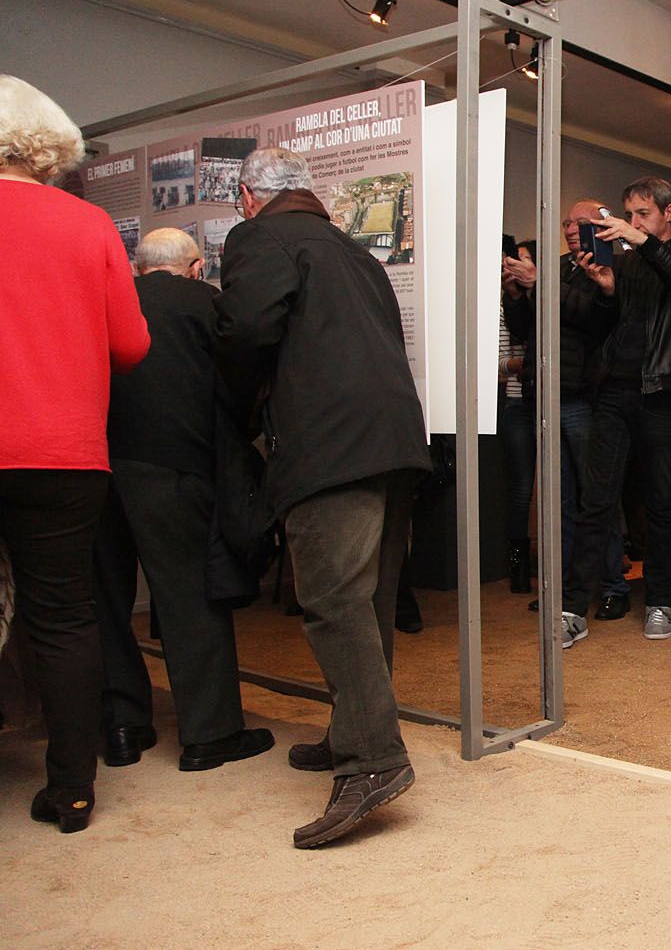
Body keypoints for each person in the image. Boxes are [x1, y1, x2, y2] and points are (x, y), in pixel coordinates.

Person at [214, 147, 431, 849]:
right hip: (393, 438)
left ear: (249, 196)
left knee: (334, 601)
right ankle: (352, 731)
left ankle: (372, 760)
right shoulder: (354, 250)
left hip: (329, 444)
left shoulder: (258, 236)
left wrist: (239, 414)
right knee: (368, 599)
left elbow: (246, 331)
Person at [0, 74, 150, 833]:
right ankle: (72, 789)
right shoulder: (88, 223)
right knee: (63, 618)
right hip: (62, 450)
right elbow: (132, 343)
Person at [93, 227, 274, 772]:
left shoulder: (108, 302)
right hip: (172, 464)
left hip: (97, 463)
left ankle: (123, 727)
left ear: (138, 267)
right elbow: (236, 386)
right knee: (189, 596)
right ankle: (210, 734)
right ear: (196, 268)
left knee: (105, 598)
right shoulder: (203, 304)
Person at [569, 177, 671, 641]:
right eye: (629, 214)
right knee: (596, 499)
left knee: (661, 501)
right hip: (614, 389)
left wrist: (645, 242)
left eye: (643, 214)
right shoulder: (627, 261)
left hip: (663, 389)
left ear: (668, 213)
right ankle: (572, 606)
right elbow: (603, 327)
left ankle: (658, 600)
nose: (633, 222)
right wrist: (607, 290)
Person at [544, 199, 632, 636]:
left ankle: (613, 585)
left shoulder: (611, 264)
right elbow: (530, 330)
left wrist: (544, 286)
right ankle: (566, 590)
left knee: (598, 498)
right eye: (567, 222)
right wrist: (523, 294)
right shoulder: (558, 268)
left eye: (581, 223)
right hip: (547, 396)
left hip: (585, 396)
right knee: (557, 502)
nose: (571, 229)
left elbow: (597, 319)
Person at [499, 238, 538, 594]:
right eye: (514, 260)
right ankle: (519, 567)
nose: (515, 267)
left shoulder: (548, 298)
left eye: (524, 261)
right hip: (517, 400)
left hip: (553, 400)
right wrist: (531, 363)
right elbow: (497, 362)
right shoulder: (502, 303)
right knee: (521, 487)